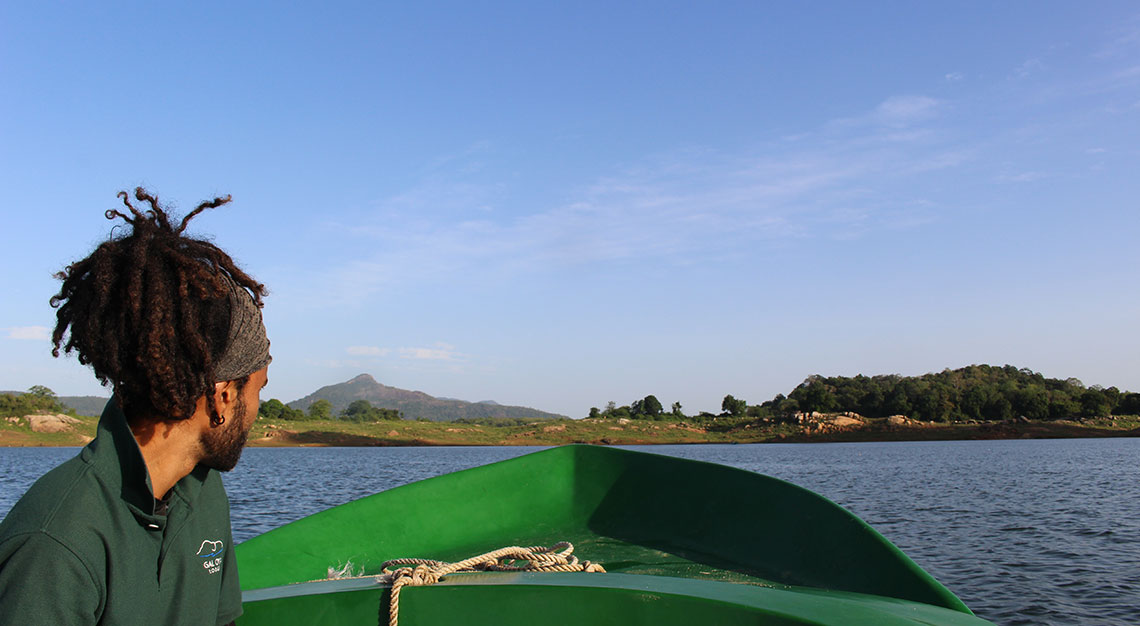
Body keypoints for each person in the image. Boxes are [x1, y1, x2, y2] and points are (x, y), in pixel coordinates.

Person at [0, 188, 270, 625]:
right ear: (222, 396)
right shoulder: (54, 543)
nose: (257, 411)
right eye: (257, 388)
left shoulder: (202, 491)